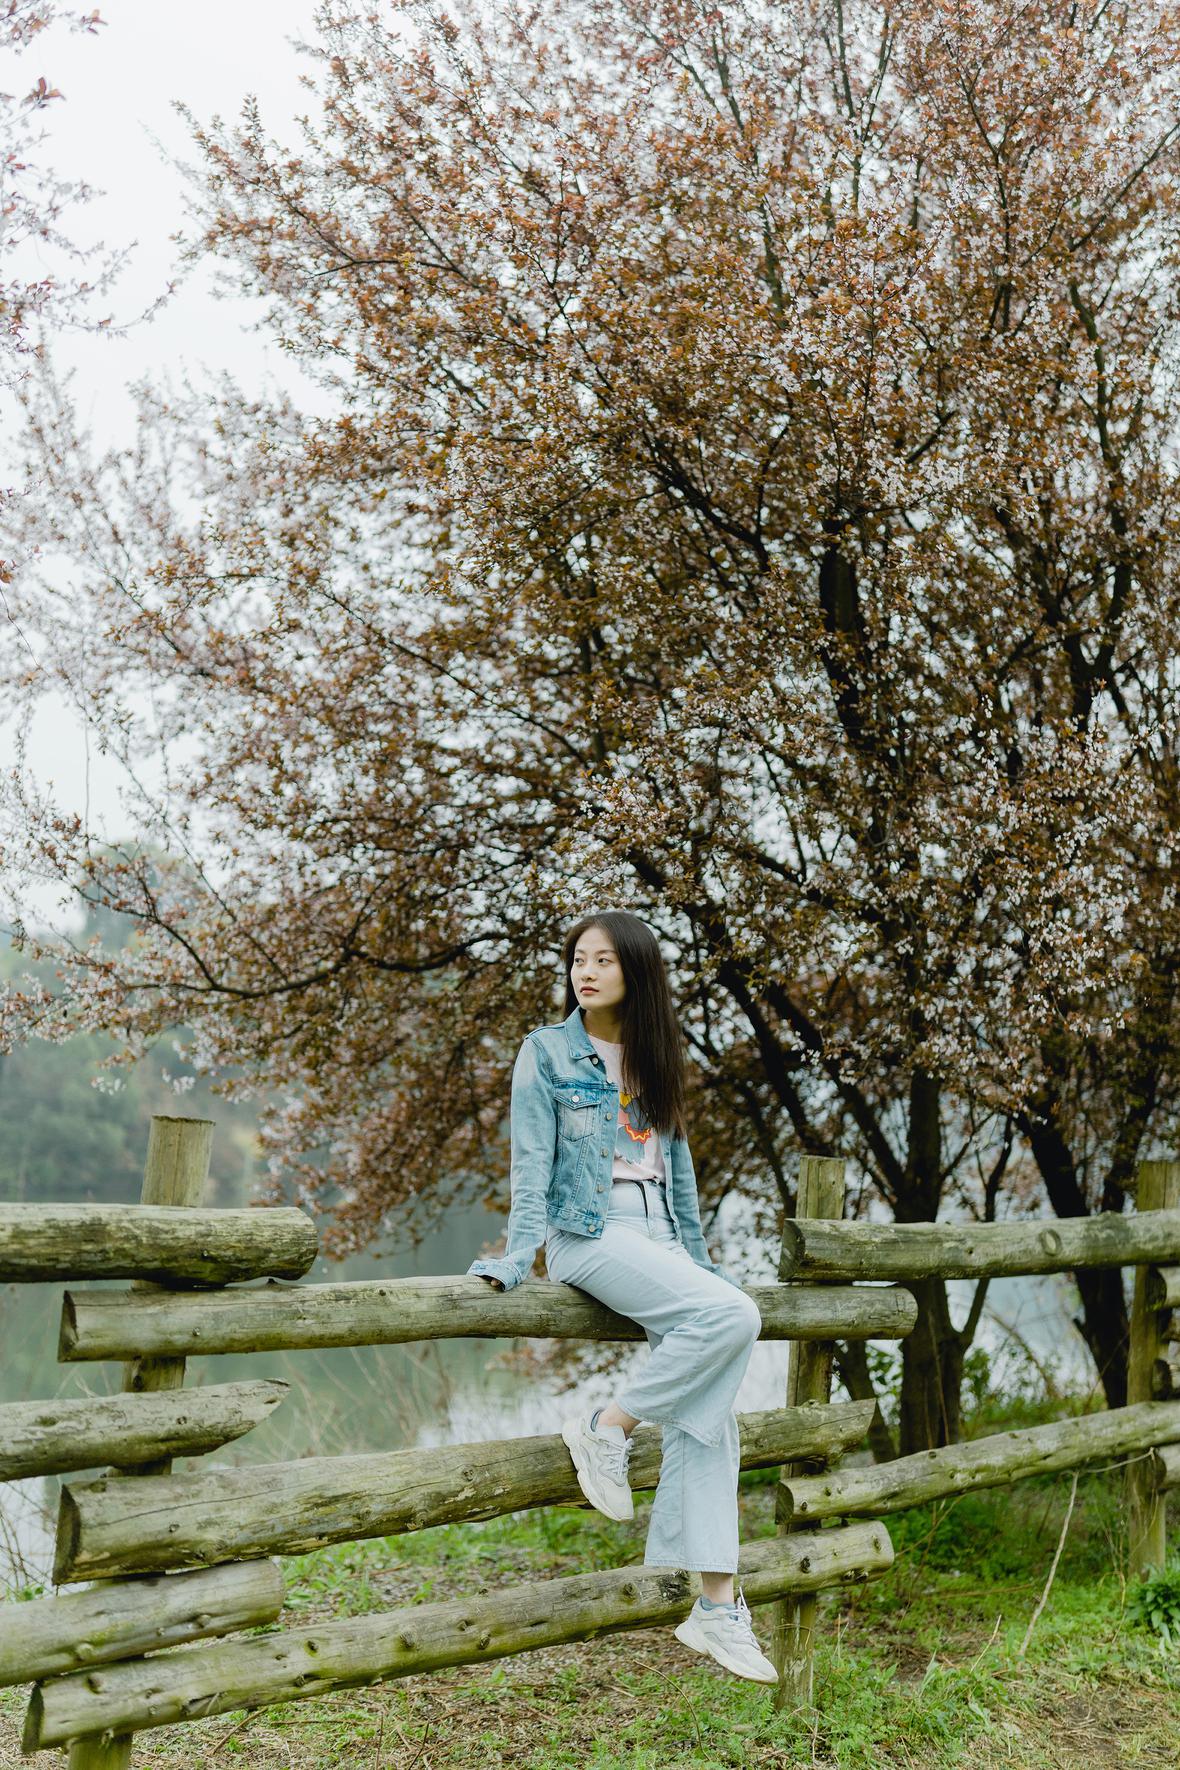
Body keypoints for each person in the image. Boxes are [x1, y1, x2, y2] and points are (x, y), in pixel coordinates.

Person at [467, 909, 777, 1683]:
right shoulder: (545, 1051)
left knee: (710, 1414)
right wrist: (518, 1257)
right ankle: (607, 1428)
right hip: (592, 1230)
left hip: (662, 1235)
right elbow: (530, 1163)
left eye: (604, 959)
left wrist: (700, 1261)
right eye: (579, 958)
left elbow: (681, 1175)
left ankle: (717, 1606)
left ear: (636, 972)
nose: (587, 970)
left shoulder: (656, 1055)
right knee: (735, 1315)